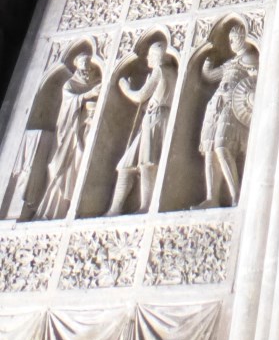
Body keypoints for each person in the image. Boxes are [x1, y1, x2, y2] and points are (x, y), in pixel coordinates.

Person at [106, 41, 177, 215]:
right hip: (154, 116)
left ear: (158, 56)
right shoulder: (171, 71)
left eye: (150, 55)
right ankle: (115, 208)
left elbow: (140, 96)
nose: (147, 58)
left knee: (147, 161)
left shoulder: (160, 70)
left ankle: (145, 206)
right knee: (126, 164)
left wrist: (125, 86)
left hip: (156, 117)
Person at [196, 24, 258, 207]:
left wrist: (254, 75)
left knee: (222, 147)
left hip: (234, 104)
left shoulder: (250, 58)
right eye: (230, 40)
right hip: (216, 103)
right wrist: (208, 62)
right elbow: (210, 76)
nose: (231, 43)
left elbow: (256, 80)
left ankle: (235, 195)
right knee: (209, 149)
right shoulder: (231, 62)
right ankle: (211, 197)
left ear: (243, 38)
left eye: (234, 39)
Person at [35, 53, 101, 220]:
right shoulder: (70, 85)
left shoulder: (95, 81)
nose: (86, 70)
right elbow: (69, 103)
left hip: (83, 130)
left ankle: (74, 205)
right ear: (77, 67)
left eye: (88, 66)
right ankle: (54, 209)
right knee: (60, 167)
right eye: (83, 66)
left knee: (79, 163)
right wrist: (89, 94)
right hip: (68, 132)